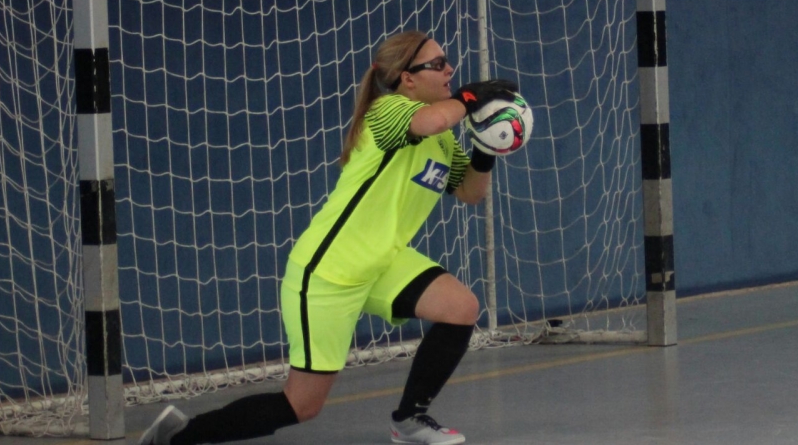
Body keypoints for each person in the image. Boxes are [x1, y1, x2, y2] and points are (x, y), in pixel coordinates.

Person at [140, 31, 517, 445]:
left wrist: (487, 147)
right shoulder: (388, 110)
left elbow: (470, 192)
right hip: (329, 272)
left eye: (447, 62)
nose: (449, 69)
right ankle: (177, 437)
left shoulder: (442, 138)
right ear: (407, 79)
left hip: (382, 262)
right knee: (302, 406)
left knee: (460, 307)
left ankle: (409, 420)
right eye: (437, 64)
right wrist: (470, 98)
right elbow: (433, 119)